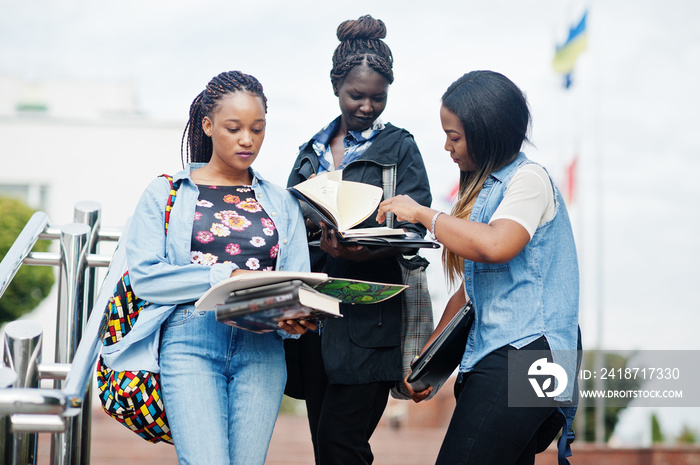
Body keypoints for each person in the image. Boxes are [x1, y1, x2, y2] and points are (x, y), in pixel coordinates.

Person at [108, 70, 314, 465]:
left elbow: (294, 279)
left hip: (262, 348)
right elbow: (147, 278)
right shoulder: (167, 191)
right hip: (190, 341)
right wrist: (226, 275)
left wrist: (293, 314)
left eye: (257, 128)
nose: (247, 140)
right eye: (234, 128)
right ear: (208, 125)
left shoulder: (282, 202)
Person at [376, 70, 580, 465]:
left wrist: (423, 215)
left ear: (487, 133)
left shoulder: (529, 179)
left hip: (530, 353)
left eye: (455, 137)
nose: (447, 146)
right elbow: (471, 290)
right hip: (499, 356)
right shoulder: (489, 192)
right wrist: (427, 361)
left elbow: (496, 245)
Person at [285, 14, 432, 465]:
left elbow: (416, 229)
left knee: (340, 444)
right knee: (326, 449)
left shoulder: (400, 149)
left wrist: (362, 247)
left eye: (377, 98)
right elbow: (287, 224)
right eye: (356, 95)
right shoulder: (309, 151)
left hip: (371, 322)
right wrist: (312, 233)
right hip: (315, 321)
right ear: (335, 87)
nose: (367, 106)